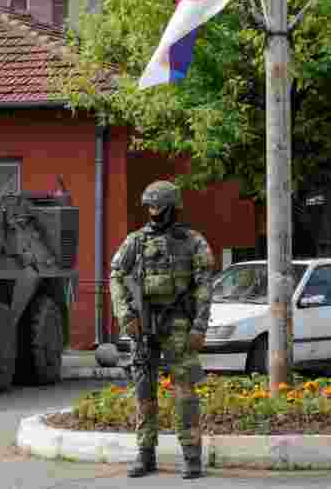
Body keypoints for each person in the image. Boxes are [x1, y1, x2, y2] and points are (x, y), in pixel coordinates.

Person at [110, 180, 215, 480]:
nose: (153, 212)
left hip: (179, 324)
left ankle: (192, 456)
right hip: (143, 325)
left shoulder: (192, 241)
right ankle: (145, 455)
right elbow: (116, 275)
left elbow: (205, 285)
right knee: (144, 391)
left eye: (158, 206)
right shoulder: (136, 241)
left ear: (172, 207)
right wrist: (125, 314)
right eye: (150, 207)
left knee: (184, 391)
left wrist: (199, 325)